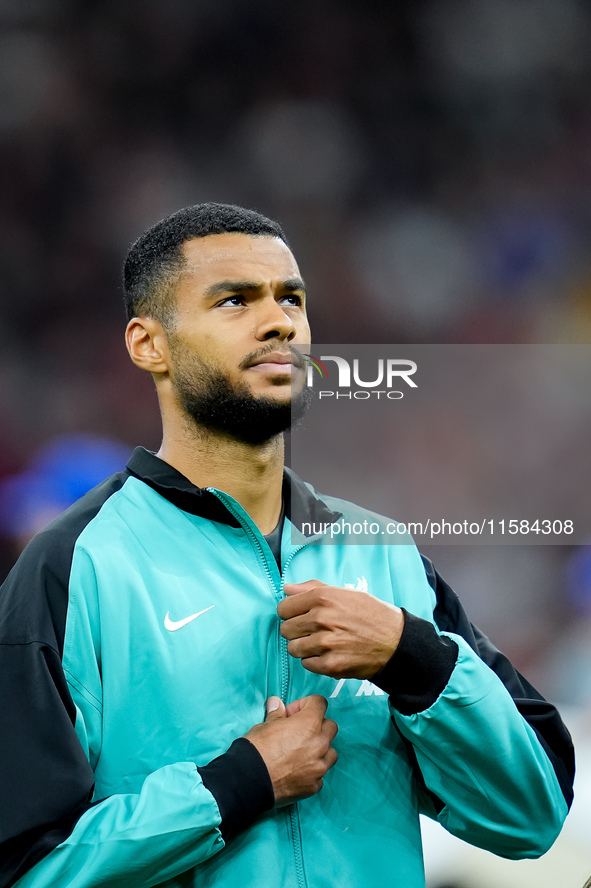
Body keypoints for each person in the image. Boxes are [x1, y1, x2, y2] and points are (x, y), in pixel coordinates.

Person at [0, 203, 574, 888]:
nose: (280, 322)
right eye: (235, 300)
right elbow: (24, 873)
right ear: (148, 344)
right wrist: (237, 785)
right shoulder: (73, 569)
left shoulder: (382, 554)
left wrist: (412, 658)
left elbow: (531, 819)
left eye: (291, 299)